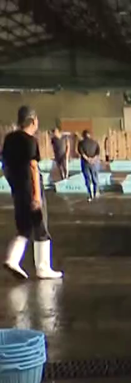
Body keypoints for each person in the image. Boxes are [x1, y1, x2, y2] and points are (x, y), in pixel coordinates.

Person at [2, 106, 61, 280]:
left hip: (18, 189)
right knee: (41, 227)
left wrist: (13, 185)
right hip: (30, 188)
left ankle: (12, 259)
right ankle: (43, 267)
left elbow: (5, 165)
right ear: (33, 121)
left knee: (24, 228)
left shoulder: (9, 139)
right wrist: (36, 196)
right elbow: (33, 167)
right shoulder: (30, 141)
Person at [78, 130, 101, 201]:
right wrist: (93, 159)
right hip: (94, 163)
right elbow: (98, 152)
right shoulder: (95, 142)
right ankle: (96, 192)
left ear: (83, 135)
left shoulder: (81, 143)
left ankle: (90, 194)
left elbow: (81, 153)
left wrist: (88, 159)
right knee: (95, 177)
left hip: (85, 163)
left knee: (87, 178)